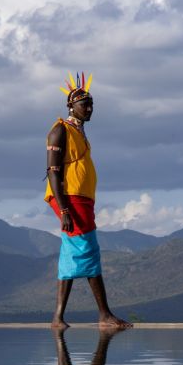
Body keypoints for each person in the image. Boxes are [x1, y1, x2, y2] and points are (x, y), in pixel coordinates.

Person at [45, 72, 132, 330]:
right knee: (89, 250)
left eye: (92, 104)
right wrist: (64, 209)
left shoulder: (78, 132)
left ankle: (58, 318)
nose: (90, 108)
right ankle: (104, 315)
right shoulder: (59, 130)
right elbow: (53, 172)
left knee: (71, 254)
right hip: (69, 199)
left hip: (82, 200)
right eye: (85, 104)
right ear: (71, 106)